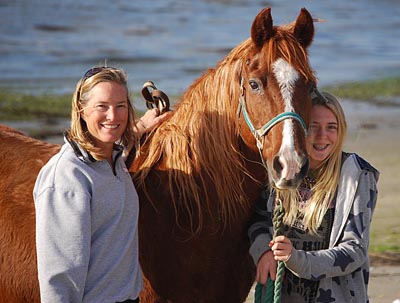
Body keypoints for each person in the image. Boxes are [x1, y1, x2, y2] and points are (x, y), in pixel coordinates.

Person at [33, 66, 170, 303]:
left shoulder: (114, 160)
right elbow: (59, 275)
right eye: (102, 106)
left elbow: (114, 142)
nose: (113, 116)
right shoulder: (67, 176)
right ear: (81, 110)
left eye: (121, 106)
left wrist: (142, 127)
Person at [248, 90, 379, 302]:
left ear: (341, 130)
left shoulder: (356, 175)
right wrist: (263, 252)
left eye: (331, 127)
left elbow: (354, 251)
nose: (322, 136)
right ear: (299, 130)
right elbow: (258, 219)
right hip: (283, 296)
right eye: (313, 127)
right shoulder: (279, 169)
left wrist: (296, 259)